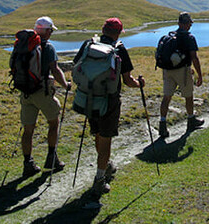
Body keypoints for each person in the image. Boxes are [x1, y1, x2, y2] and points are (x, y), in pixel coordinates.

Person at [73, 17, 145, 197]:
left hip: (89, 97)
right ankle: (100, 178)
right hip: (109, 100)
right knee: (106, 137)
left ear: (103, 30)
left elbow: (77, 66)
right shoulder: (119, 49)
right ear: (118, 33)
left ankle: (106, 165)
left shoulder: (88, 44)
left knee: (97, 132)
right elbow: (128, 81)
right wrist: (140, 84)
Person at [20, 16, 71, 177]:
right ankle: (51, 157)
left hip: (25, 91)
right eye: (50, 30)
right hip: (42, 91)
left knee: (28, 129)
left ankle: (28, 162)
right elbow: (55, 70)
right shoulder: (47, 47)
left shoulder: (24, 45)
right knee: (53, 122)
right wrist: (65, 85)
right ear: (47, 30)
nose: (51, 34)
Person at [158, 12, 204, 138]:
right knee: (188, 96)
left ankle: (162, 124)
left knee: (166, 97)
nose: (190, 26)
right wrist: (200, 75)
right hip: (183, 71)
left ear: (179, 23)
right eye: (189, 23)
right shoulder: (189, 38)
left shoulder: (170, 36)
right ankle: (191, 120)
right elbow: (194, 58)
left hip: (167, 70)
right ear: (188, 24)